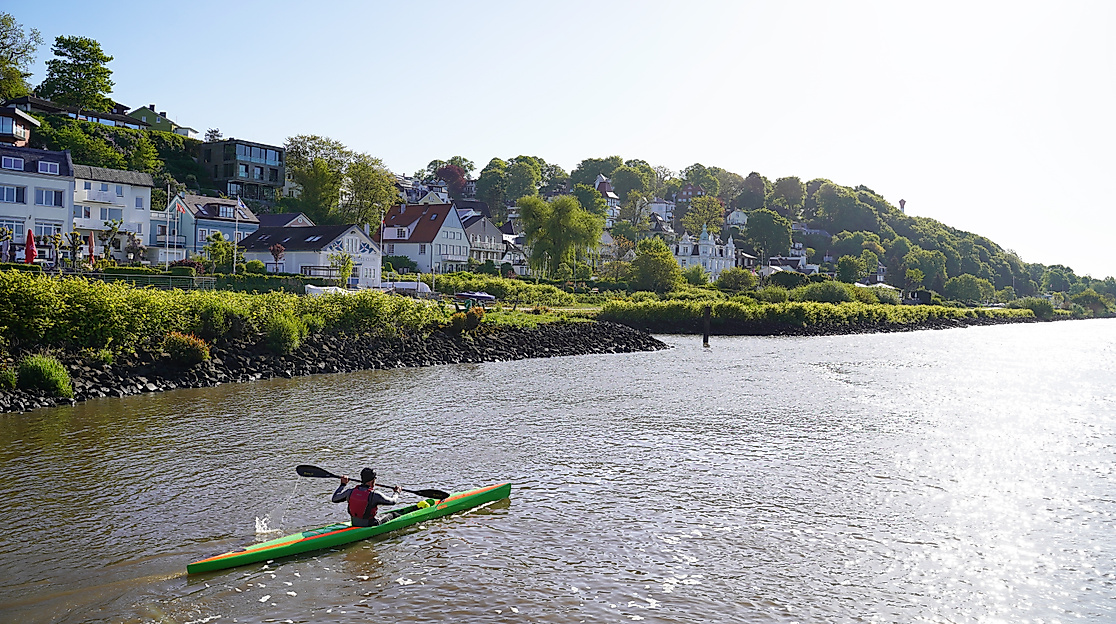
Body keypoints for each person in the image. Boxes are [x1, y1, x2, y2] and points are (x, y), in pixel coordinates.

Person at [331, 468, 401, 527]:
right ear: (373, 480)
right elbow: (393, 501)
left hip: (354, 523)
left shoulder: (350, 492)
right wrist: (397, 492)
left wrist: (343, 484)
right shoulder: (374, 494)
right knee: (393, 514)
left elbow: (334, 499)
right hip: (370, 525)